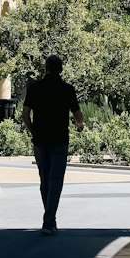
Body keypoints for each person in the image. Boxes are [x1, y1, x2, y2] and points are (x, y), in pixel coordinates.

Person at [21, 55, 84, 234]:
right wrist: (79, 127)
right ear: (61, 69)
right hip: (59, 140)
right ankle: (49, 221)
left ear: (46, 68)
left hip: (40, 140)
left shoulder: (35, 88)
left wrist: (33, 131)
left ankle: (50, 219)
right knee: (56, 181)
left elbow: (25, 114)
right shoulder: (67, 89)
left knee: (44, 180)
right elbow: (78, 116)